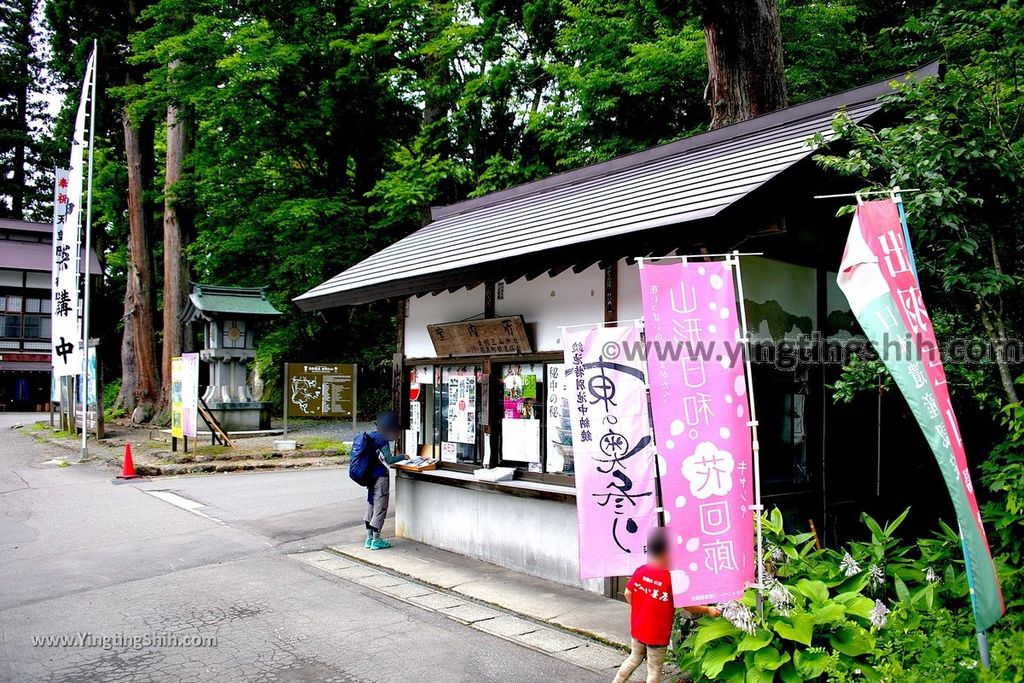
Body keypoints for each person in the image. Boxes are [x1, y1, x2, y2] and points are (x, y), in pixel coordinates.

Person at [613, 529, 721, 683]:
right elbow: (685, 604)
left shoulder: (640, 571)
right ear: (667, 553)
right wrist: (707, 610)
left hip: (638, 629)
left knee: (633, 659)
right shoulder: (671, 579)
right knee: (654, 670)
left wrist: (639, 609)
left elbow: (627, 593)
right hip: (657, 636)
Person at [361, 411, 402, 550]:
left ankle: (369, 539)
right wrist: (403, 456)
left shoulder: (370, 436)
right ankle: (376, 540)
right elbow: (389, 460)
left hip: (369, 477)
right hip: (380, 477)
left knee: (371, 505)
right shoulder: (382, 439)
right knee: (380, 507)